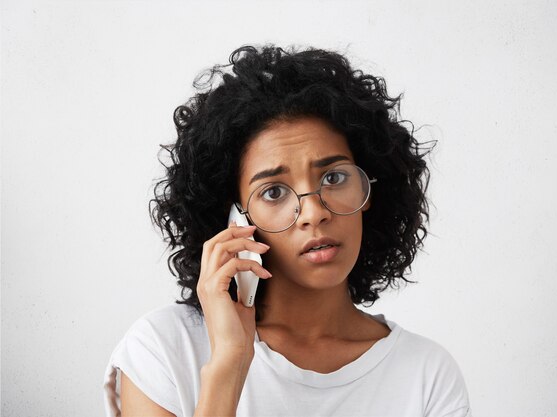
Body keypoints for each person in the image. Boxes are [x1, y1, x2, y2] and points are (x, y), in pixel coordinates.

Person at [103, 44, 472, 417]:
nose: (313, 212)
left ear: (369, 190)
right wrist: (229, 365)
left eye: (334, 177)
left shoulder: (427, 376)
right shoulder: (165, 349)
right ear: (235, 219)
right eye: (274, 191)